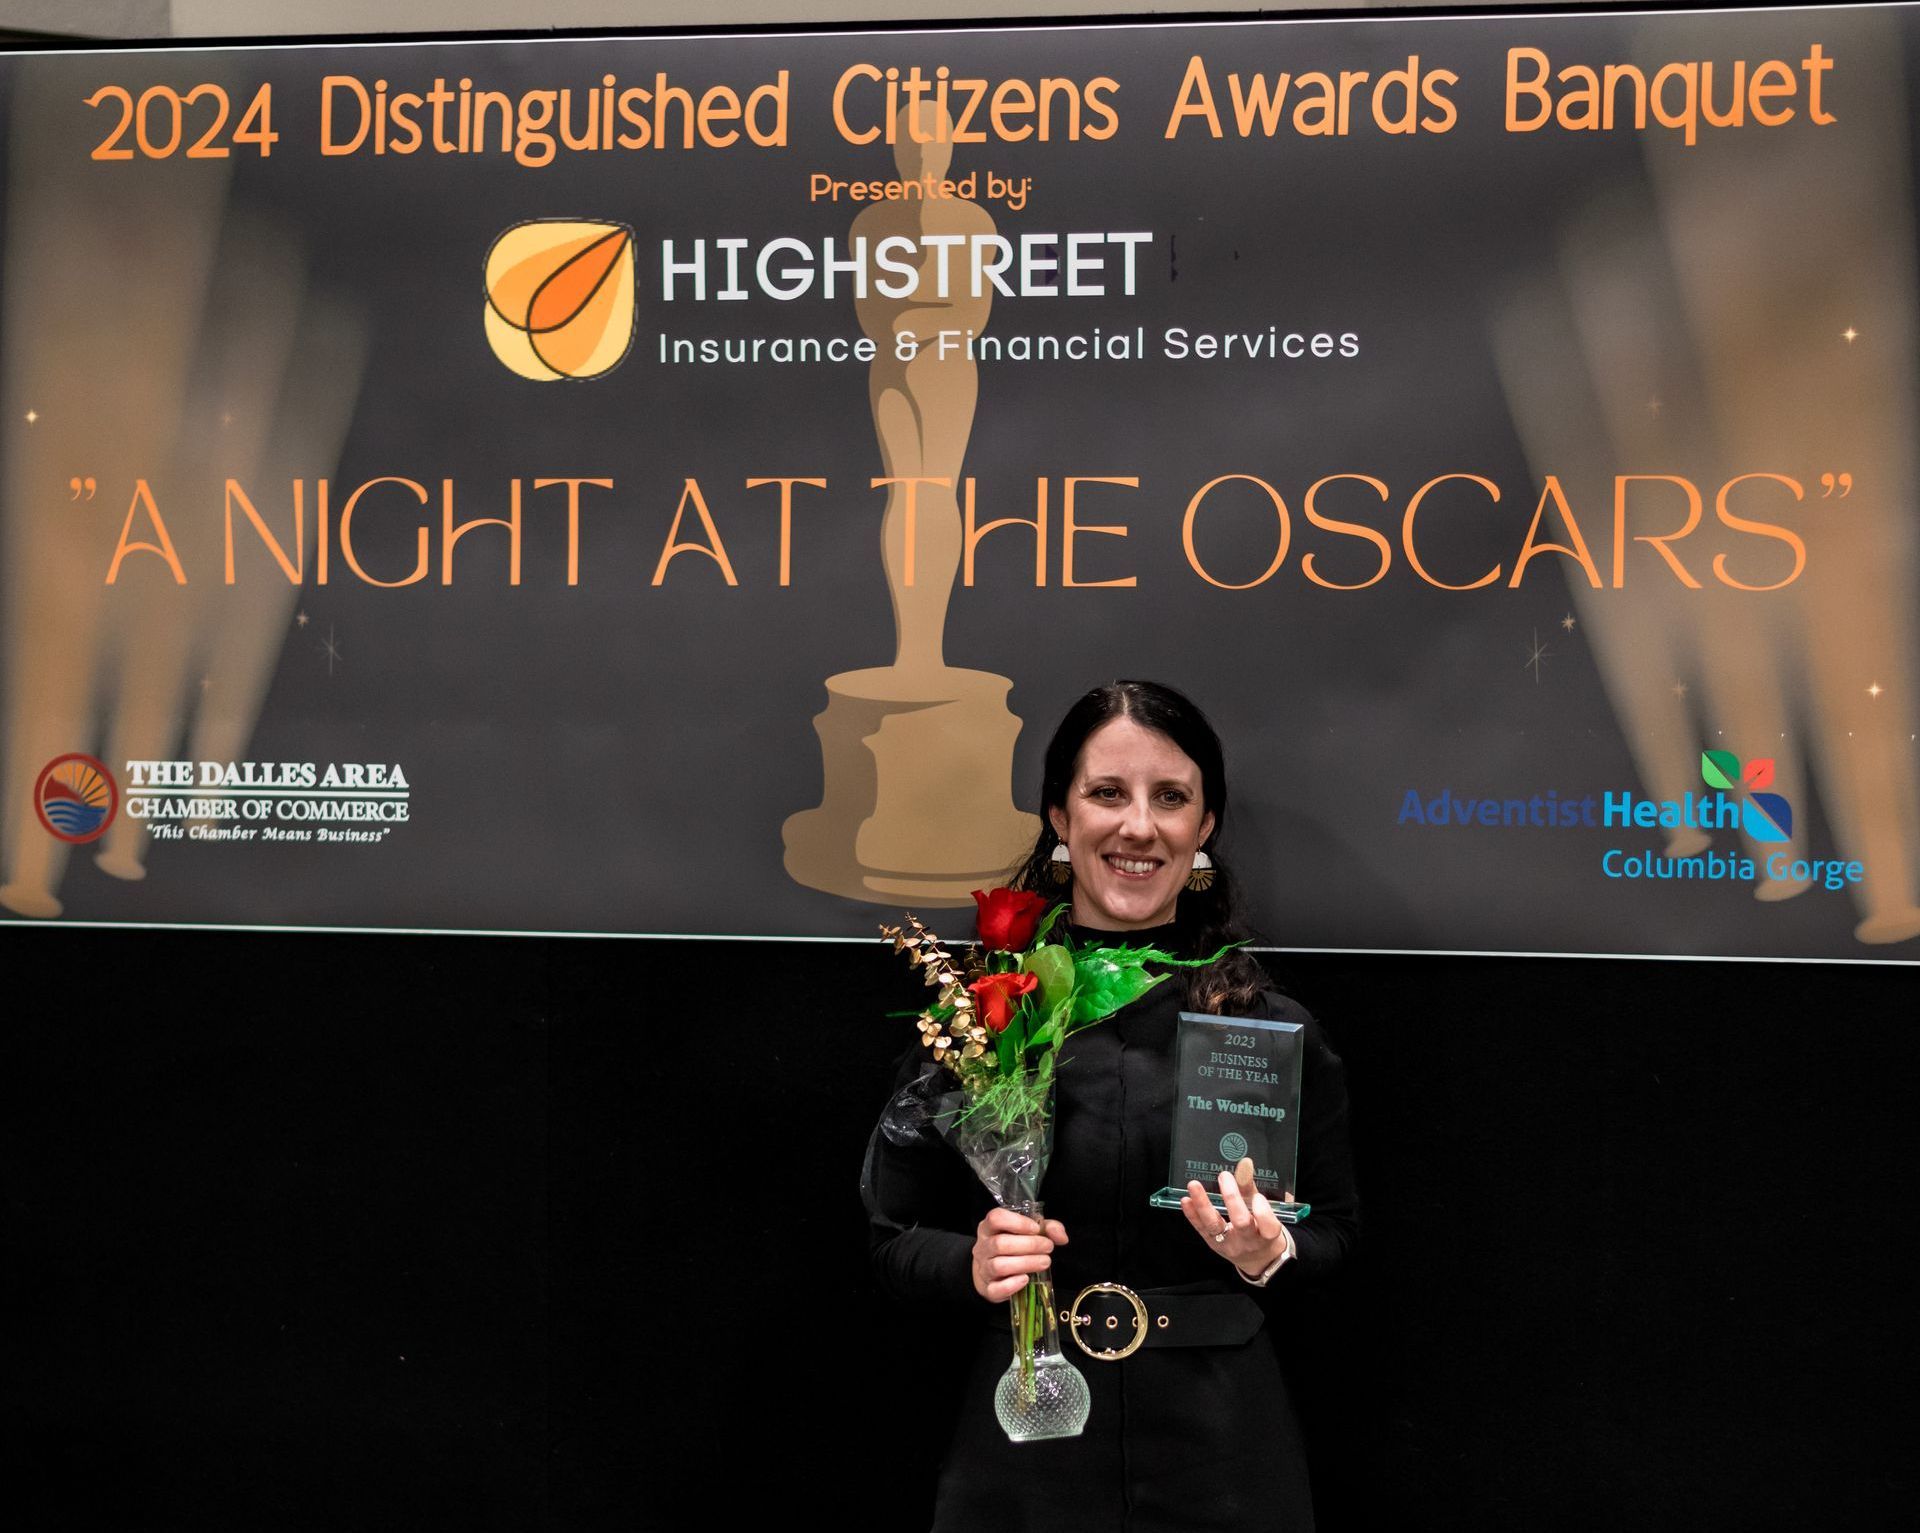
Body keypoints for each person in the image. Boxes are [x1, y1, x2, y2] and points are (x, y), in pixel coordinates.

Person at [863, 679, 1360, 1532]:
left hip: (1223, 1452)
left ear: (1204, 829)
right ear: (1060, 815)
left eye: (1171, 797)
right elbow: (890, 1236)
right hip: (1029, 1440)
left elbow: (1337, 1232)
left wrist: (1268, 1249)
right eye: (1106, 793)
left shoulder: (1269, 1028)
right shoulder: (983, 1017)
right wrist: (973, 1263)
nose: (1139, 826)